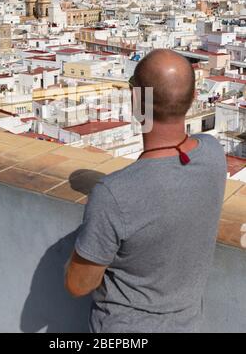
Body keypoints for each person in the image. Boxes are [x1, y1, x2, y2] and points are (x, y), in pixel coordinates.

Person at [65, 49, 227, 333]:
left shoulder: (113, 194)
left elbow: (78, 285)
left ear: (136, 101)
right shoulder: (213, 155)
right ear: (191, 100)